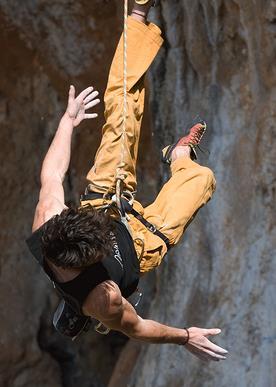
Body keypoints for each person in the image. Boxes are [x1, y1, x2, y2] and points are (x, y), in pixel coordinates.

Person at [27, 0, 228, 362]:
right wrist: (184, 337)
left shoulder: (48, 224)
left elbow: (52, 174)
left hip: (103, 199)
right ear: (96, 258)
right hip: (140, 244)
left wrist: (68, 122)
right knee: (201, 181)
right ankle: (179, 158)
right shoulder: (103, 299)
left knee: (120, 105)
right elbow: (139, 328)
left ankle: (138, 13)